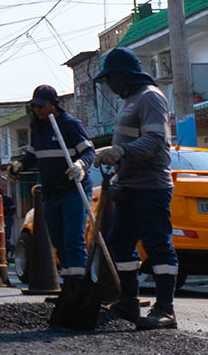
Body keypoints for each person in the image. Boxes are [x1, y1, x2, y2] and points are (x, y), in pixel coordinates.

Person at [93, 46, 178, 329]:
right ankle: (129, 302)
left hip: (151, 186)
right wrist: (113, 155)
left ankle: (165, 310)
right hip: (128, 185)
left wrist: (121, 152)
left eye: (111, 79)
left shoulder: (151, 97)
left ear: (123, 75)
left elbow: (155, 141)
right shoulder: (129, 101)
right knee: (121, 243)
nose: (110, 85)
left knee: (157, 245)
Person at [9, 85, 95, 281]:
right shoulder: (37, 128)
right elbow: (32, 155)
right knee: (58, 240)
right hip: (51, 193)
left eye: (41, 105)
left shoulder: (69, 124)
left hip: (73, 190)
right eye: (34, 106)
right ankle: (69, 279)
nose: (37, 110)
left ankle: (78, 285)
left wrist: (80, 165)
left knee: (73, 240)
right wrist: (19, 166)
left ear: (53, 105)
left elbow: (88, 152)